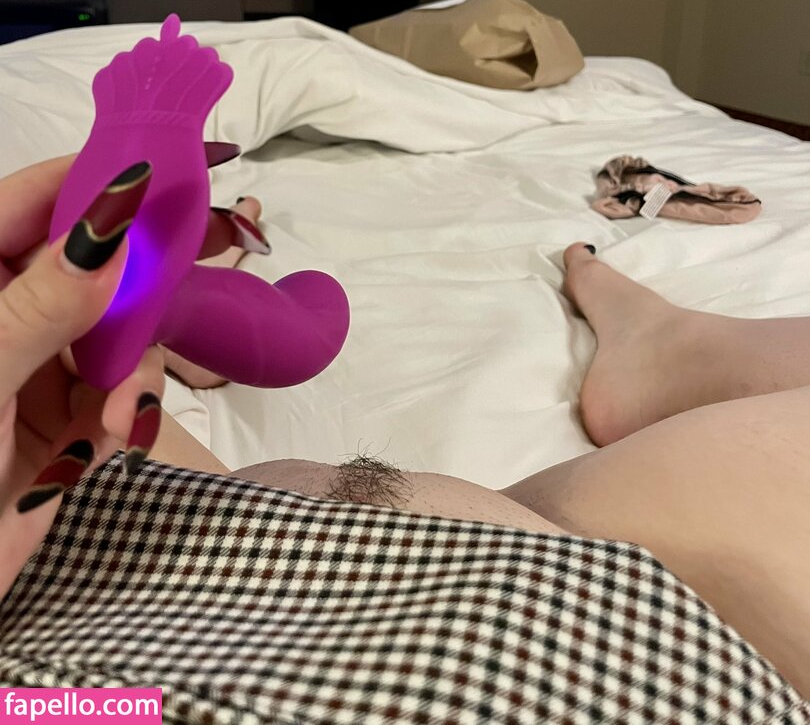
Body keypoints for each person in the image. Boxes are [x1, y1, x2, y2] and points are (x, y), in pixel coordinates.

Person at [1, 157, 808, 704]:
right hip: (632, 632)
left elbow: (86, 703)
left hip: (131, 603)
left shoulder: (74, 694)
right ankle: (661, 342)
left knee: (83, 390)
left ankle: (186, 313)